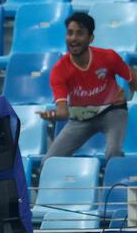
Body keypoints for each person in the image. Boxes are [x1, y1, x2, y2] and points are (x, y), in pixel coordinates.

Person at [38, 12, 137, 165]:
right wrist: (54, 114)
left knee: (114, 151)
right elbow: (63, 110)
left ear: (91, 38)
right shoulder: (59, 70)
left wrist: (130, 95)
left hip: (112, 111)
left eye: (80, 33)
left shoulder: (108, 57)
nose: (73, 38)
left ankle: (113, 188)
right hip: (80, 118)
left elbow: (132, 77)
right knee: (49, 161)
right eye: (70, 33)